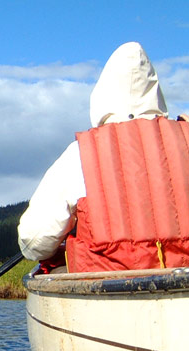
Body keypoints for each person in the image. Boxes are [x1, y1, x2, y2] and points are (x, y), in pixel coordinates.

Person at [18, 42, 189, 273]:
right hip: (182, 279)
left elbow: (33, 243)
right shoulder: (185, 138)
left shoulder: (79, 154)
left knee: (53, 268)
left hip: (105, 283)